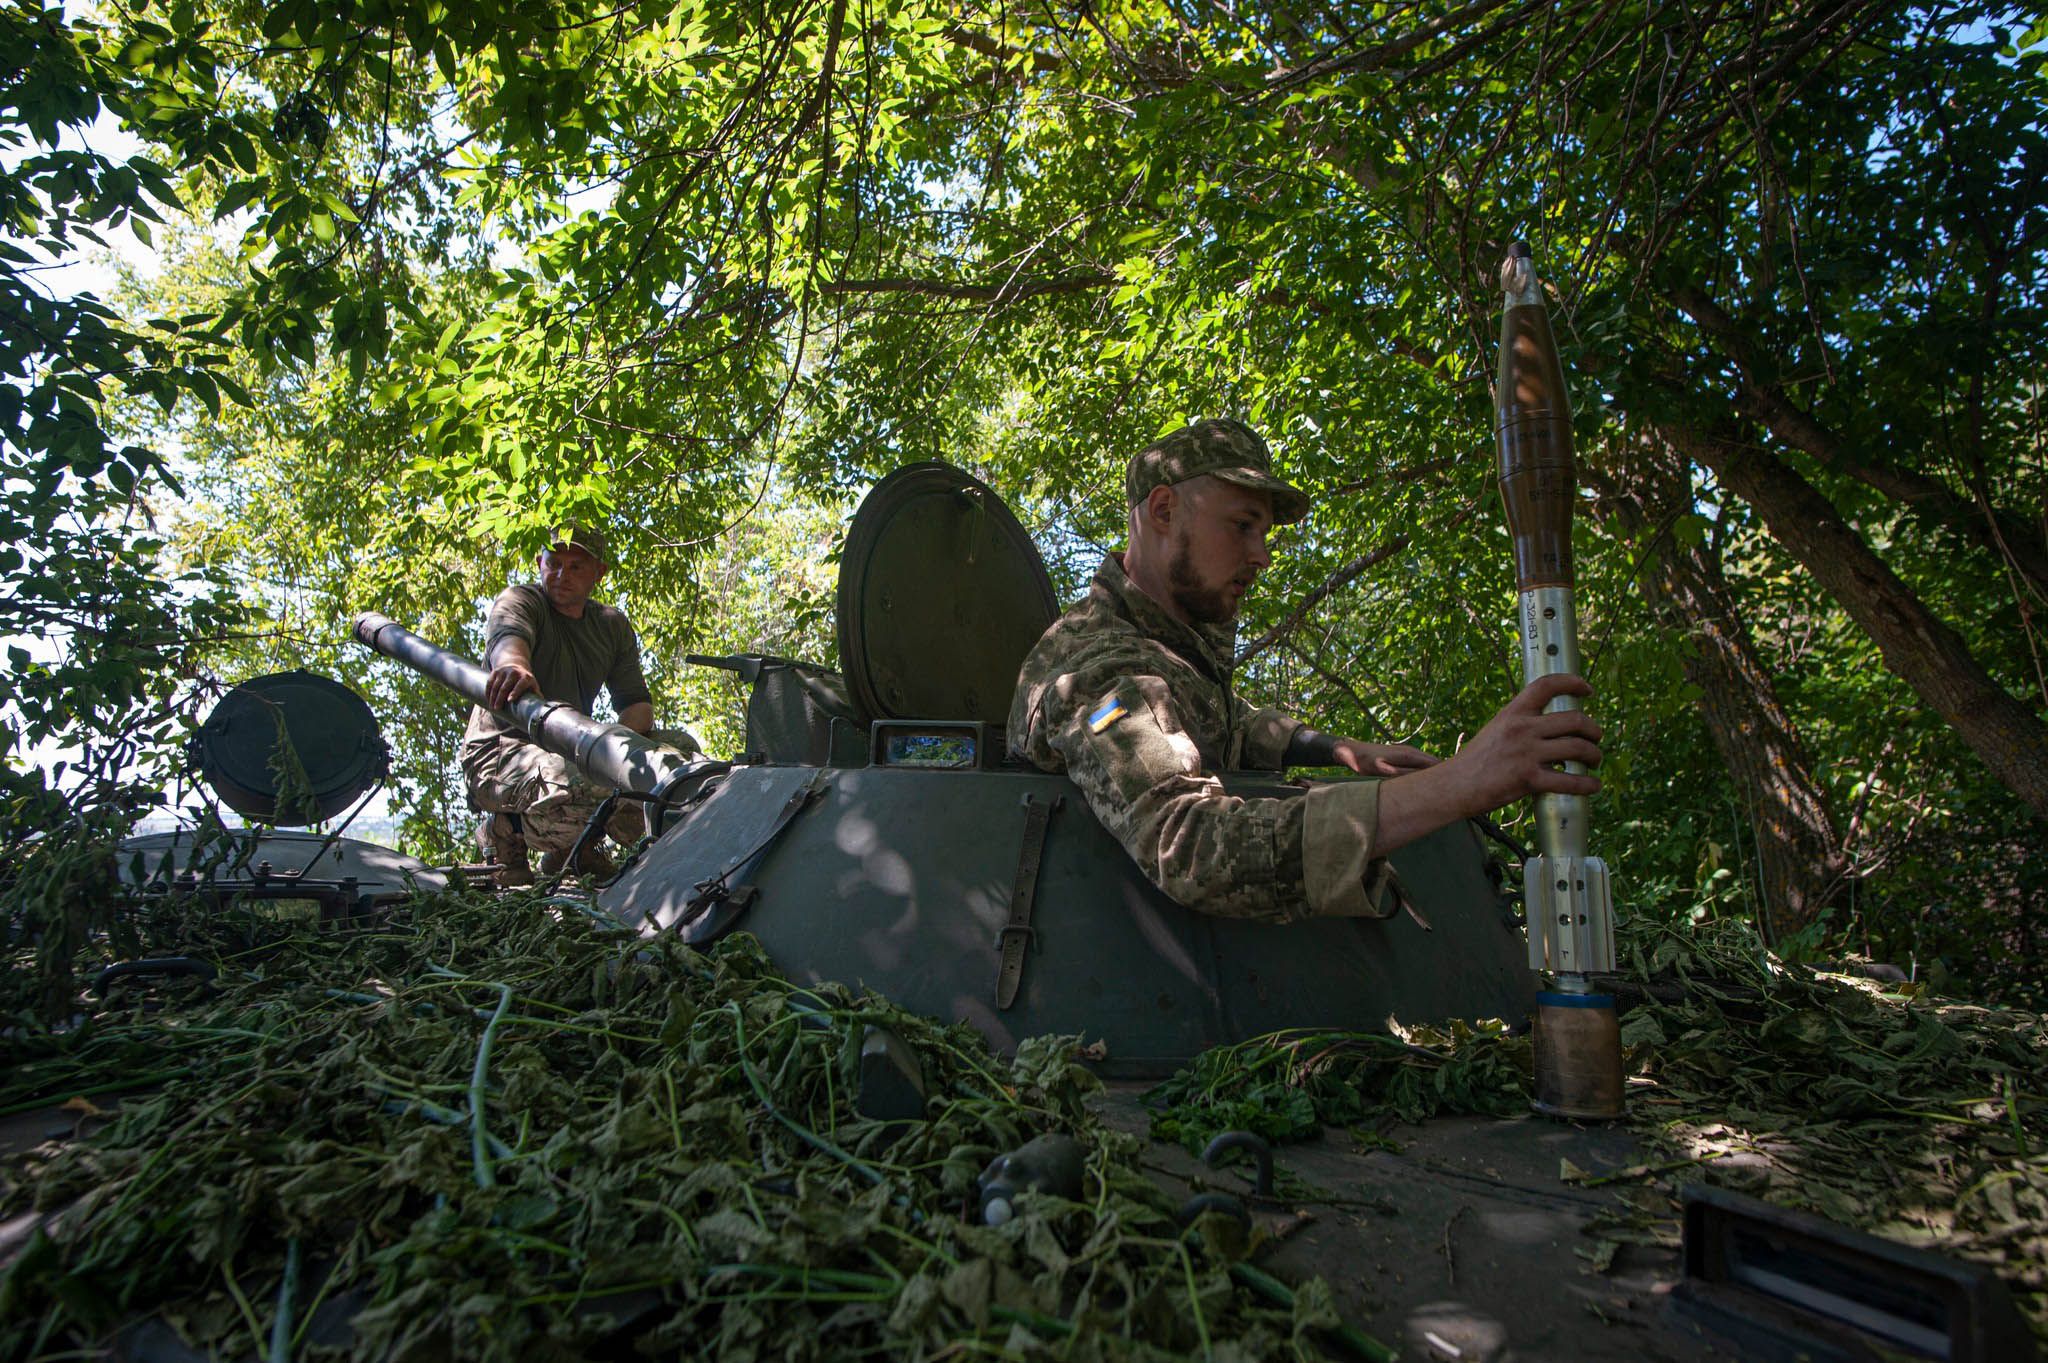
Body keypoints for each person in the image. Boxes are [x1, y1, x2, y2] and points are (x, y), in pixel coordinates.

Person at [1008, 418, 1602, 920]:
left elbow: (1221, 719)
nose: (1261, 556)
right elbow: (1188, 847)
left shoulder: (1163, 644)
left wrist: (1339, 751)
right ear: (1163, 510)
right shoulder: (1096, 672)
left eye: (1264, 533)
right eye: (1242, 525)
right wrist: (1461, 781)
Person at [462, 523, 697, 882]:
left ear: (598, 574)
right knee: (581, 781)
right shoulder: (522, 601)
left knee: (679, 757)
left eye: (576, 567)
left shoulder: (610, 625)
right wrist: (514, 667)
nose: (561, 575)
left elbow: (638, 708)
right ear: (539, 562)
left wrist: (613, 748)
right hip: (500, 752)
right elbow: (508, 641)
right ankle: (505, 830)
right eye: (553, 563)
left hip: (567, 745)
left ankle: (575, 849)